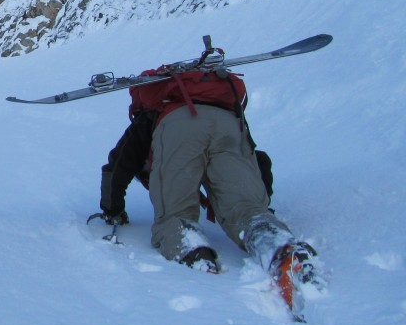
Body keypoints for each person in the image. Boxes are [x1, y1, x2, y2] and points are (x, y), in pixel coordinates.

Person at [91, 63, 320, 287]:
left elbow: (118, 164)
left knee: (176, 213)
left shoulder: (151, 114)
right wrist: (261, 204)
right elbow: (257, 160)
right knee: (247, 209)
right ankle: (270, 236)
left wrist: (113, 210)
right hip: (230, 125)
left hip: (178, 128)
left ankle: (192, 250)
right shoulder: (217, 103)